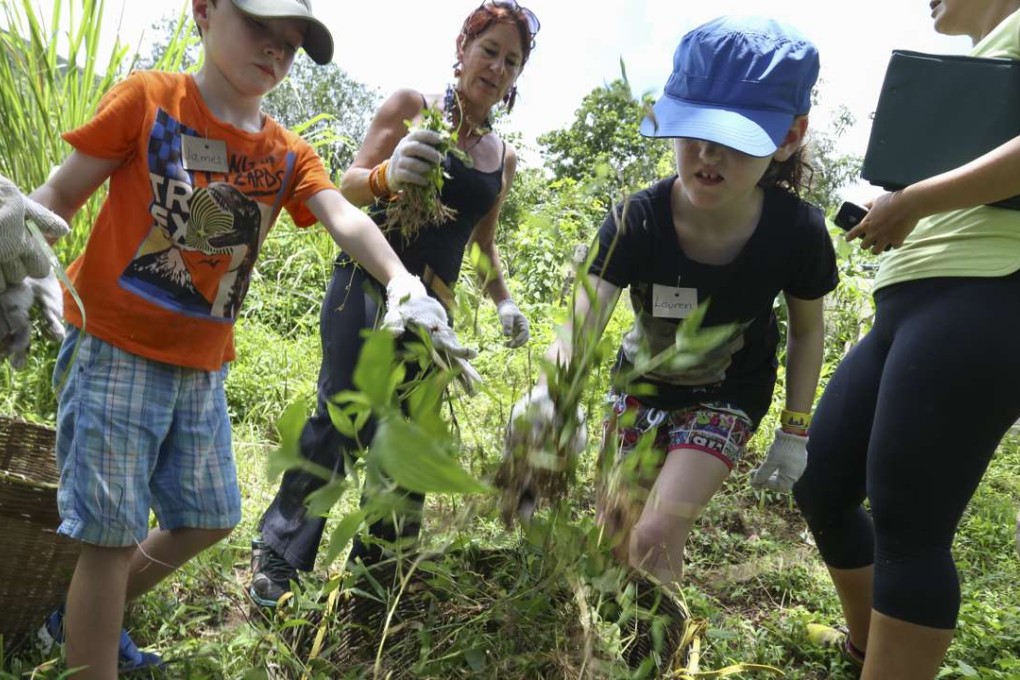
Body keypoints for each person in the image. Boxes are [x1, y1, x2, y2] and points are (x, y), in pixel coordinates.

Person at [0, 0, 469, 676]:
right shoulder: (149, 100)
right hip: (112, 349)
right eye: (260, 29)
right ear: (205, 11)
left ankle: (76, 620)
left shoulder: (284, 152)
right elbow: (60, 196)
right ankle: (92, 650)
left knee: (212, 514)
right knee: (109, 536)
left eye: (291, 43)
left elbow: (342, 214)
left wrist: (402, 282)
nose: (275, 51)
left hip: (199, 368)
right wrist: (16, 243)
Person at [506, 15, 837, 591]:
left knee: (656, 534)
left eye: (735, 136)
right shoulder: (638, 219)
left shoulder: (798, 233)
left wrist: (795, 428)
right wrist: (550, 394)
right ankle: (615, 642)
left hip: (728, 393)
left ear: (788, 136)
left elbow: (807, 331)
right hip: (639, 388)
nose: (708, 151)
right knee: (613, 542)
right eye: (694, 128)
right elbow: (586, 315)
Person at [249, 0, 540, 607]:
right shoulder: (412, 107)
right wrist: (388, 172)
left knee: (407, 439)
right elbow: (343, 185)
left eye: (511, 61)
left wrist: (506, 302)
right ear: (463, 50)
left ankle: (378, 583)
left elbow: (481, 246)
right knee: (341, 415)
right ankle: (279, 557)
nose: (497, 67)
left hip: (433, 312)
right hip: (367, 284)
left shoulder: (501, 159)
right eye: (489, 51)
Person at [792, 1, 1020, 677]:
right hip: (909, 297)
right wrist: (898, 205)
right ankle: (867, 648)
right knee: (824, 478)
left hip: (988, 290)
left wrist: (914, 201)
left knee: (910, 522)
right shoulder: (976, 60)